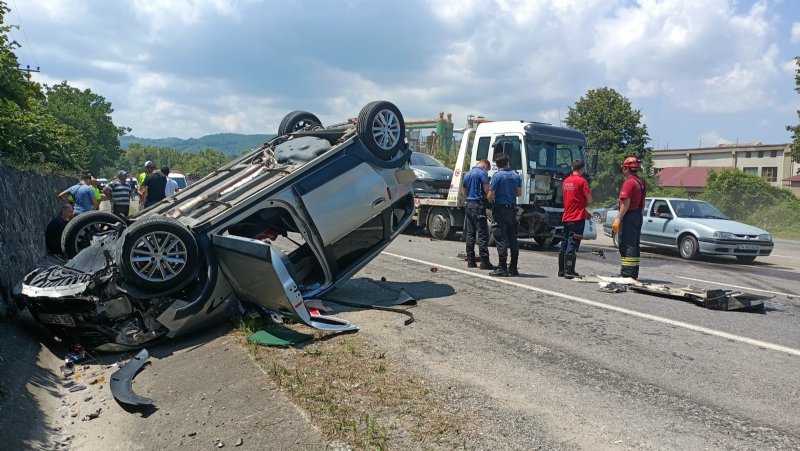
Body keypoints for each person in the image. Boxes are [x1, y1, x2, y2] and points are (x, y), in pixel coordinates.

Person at [487, 150, 522, 277]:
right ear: (508, 163)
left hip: (500, 209)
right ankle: (513, 266)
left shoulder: (497, 176)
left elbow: (490, 195)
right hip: (512, 209)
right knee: (513, 238)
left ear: (497, 164)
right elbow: (519, 193)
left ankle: (502, 267)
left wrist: (489, 202)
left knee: (501, 238)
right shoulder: (516, 175)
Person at [612, 156, 647, 279]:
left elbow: (625, 203)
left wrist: (618, 219)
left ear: (626, 168)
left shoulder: (629, 183)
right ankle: (633, 273)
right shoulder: (641, 182)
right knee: (634, 244)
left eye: (624, 168)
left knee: (626, 245)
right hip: (637, 214)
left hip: (629, 215)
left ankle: (627, 273)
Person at [559, 160, 593, 279]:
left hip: (566, 216)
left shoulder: (566, 181)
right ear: (582, 169)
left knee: (564, 242)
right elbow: (589, 200)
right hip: (577, 217)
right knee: (573, 243)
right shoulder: (582, 181)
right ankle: (569, 270)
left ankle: (561, 270)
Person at [461, 159, 494, 269]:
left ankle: (471, 261)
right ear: (485, 165)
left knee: (470, 234)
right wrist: (491, 200)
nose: (487, 171)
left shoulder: (468, 173)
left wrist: (468, 199)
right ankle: (484, 262)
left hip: (469, 204)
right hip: (478, 205)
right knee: (482, 234)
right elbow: (486, 189)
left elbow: (464, 190)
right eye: (488, 169)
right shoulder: (482, 173)